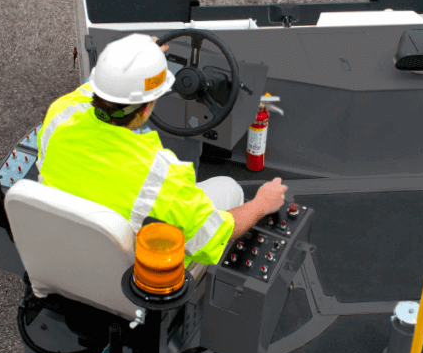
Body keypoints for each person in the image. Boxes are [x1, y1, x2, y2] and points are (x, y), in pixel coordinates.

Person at [36, 33, 287, 271]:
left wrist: (141, 62)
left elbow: (98, 88)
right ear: (147, 108)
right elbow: (219, 231)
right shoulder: (159, 178)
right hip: (133, 276)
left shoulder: (60, 113)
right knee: (229, 187)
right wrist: (262, 204)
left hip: (64, 257)